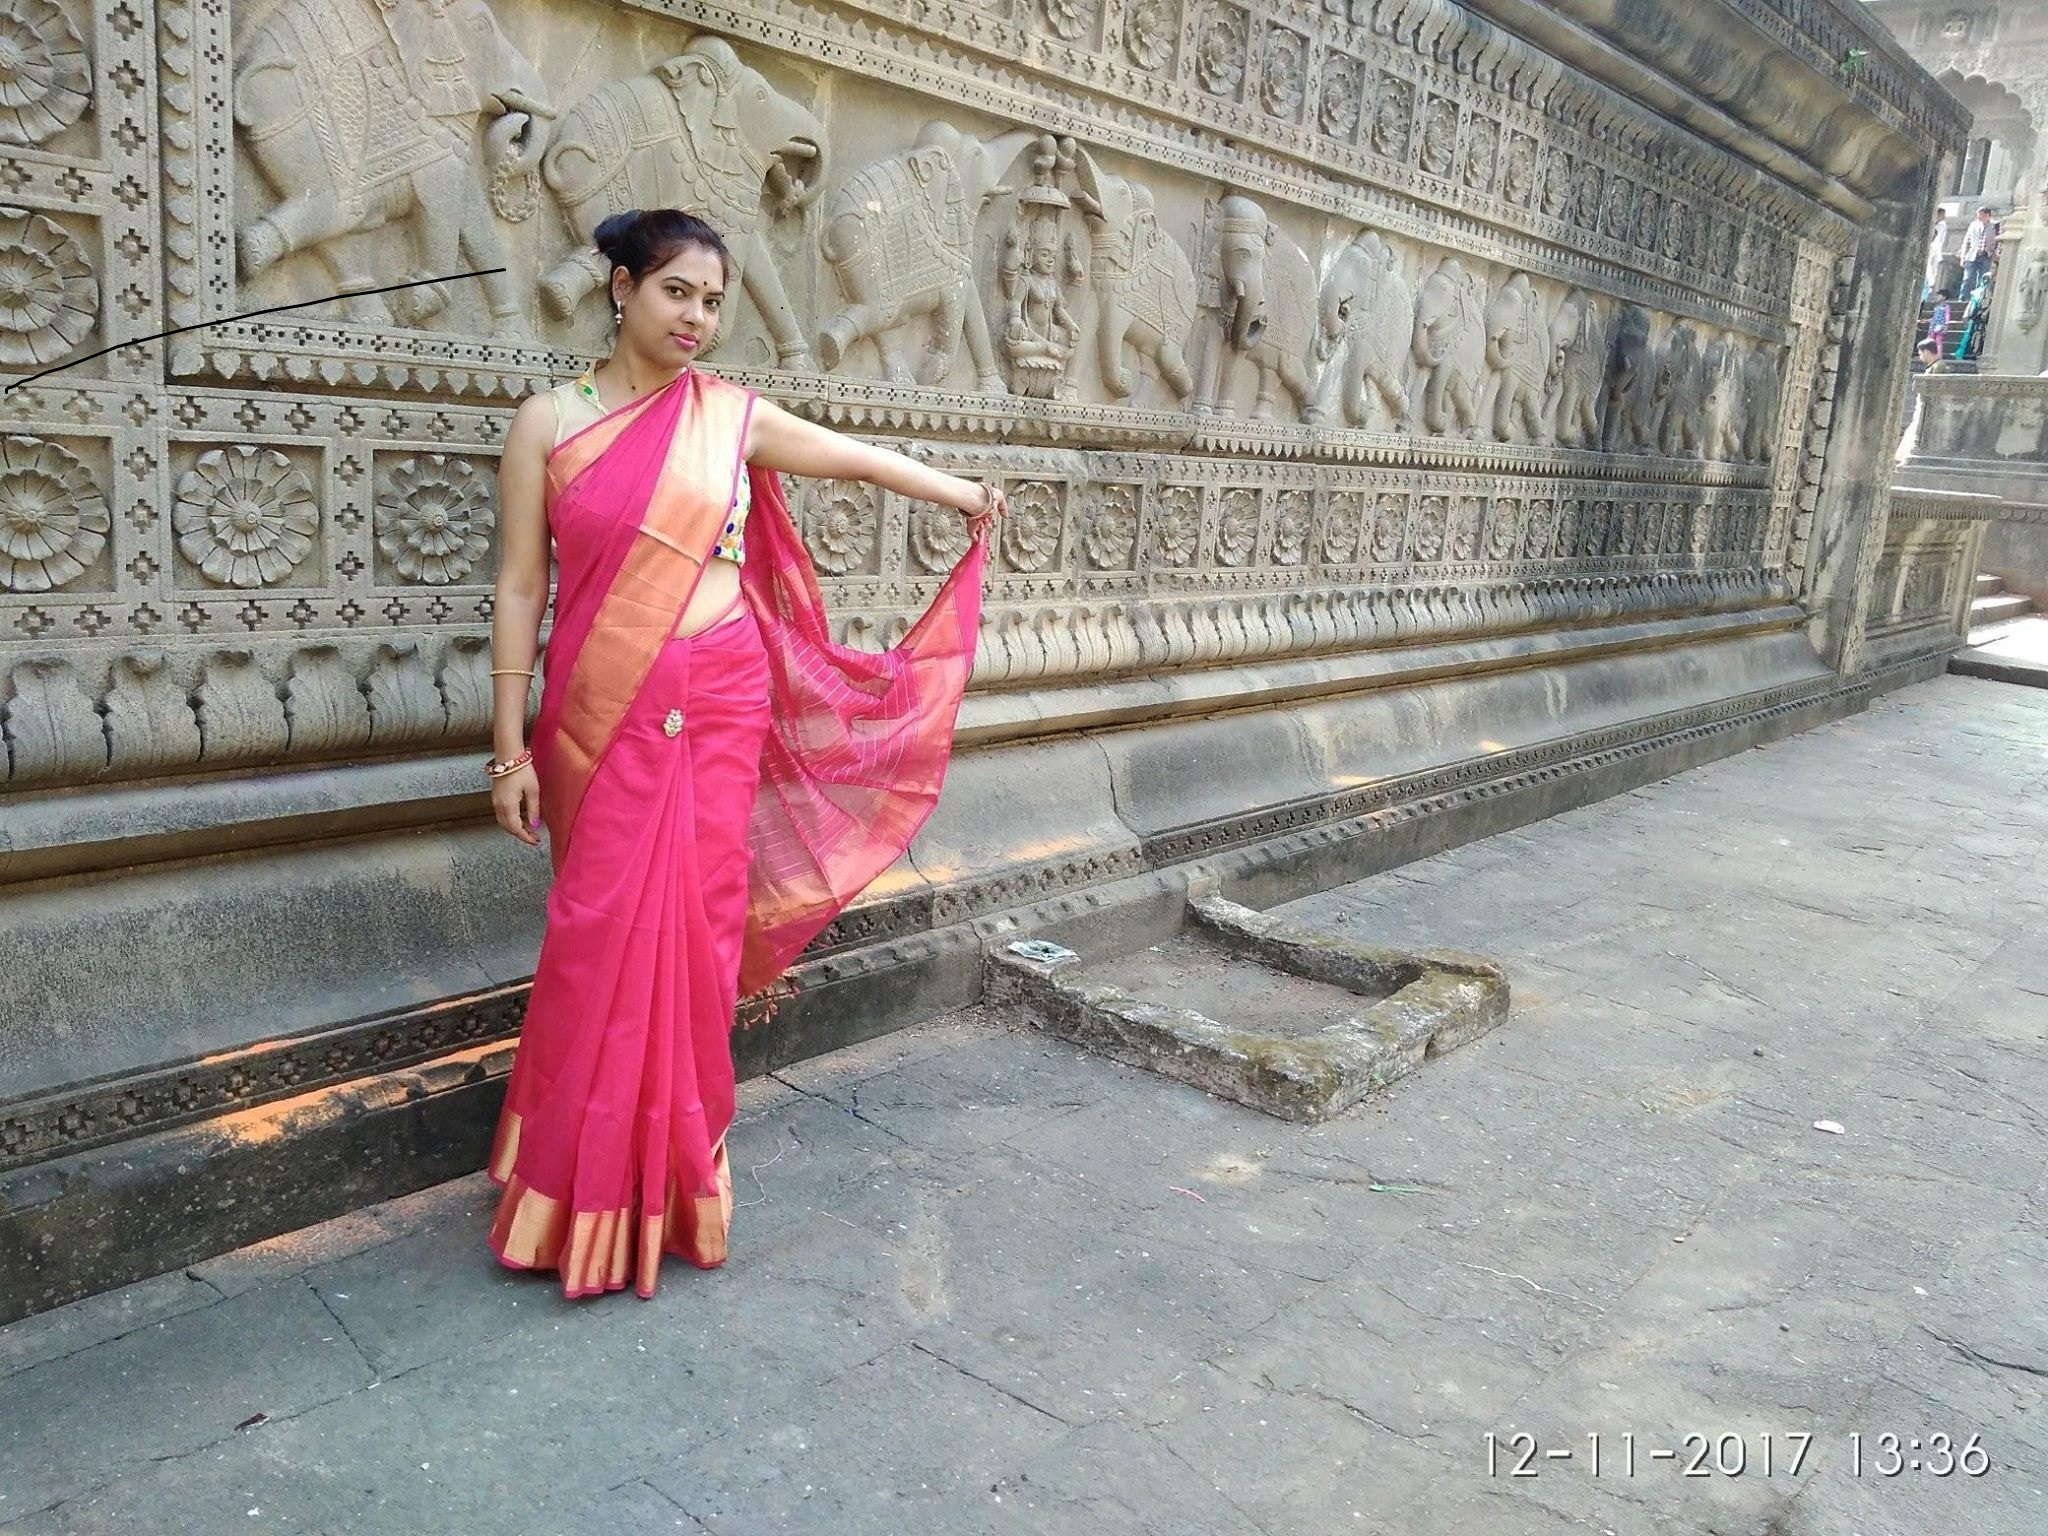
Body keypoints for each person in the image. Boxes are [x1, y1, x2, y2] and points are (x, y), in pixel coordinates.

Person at [481, 208, 1006, 1299]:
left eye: (712, 302)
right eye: (676, 291)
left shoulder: (728, 416)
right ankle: (571, 1188)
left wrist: (962, 495)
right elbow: (522, 587)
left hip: (722, 700)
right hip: (601, 712)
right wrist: (506, 748)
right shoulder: (547, 423)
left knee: (696, 935)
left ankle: (671, 1183)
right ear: (621, 287)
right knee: (596, 934)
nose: (696, 318)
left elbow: (852, 460)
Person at [1959, 206, 1997, 297]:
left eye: (1980, 215)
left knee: (1982, 279)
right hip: (1972, 255)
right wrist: (1963, 256)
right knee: (1967, 278)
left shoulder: (1995, 225)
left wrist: (1995, 253)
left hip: (1986, 255)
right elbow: (1967, 241)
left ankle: (1978, 298)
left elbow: (1998, 241)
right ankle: (1963, 298)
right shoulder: (1974, 225)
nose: (1978, 217)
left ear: (1987, 215)